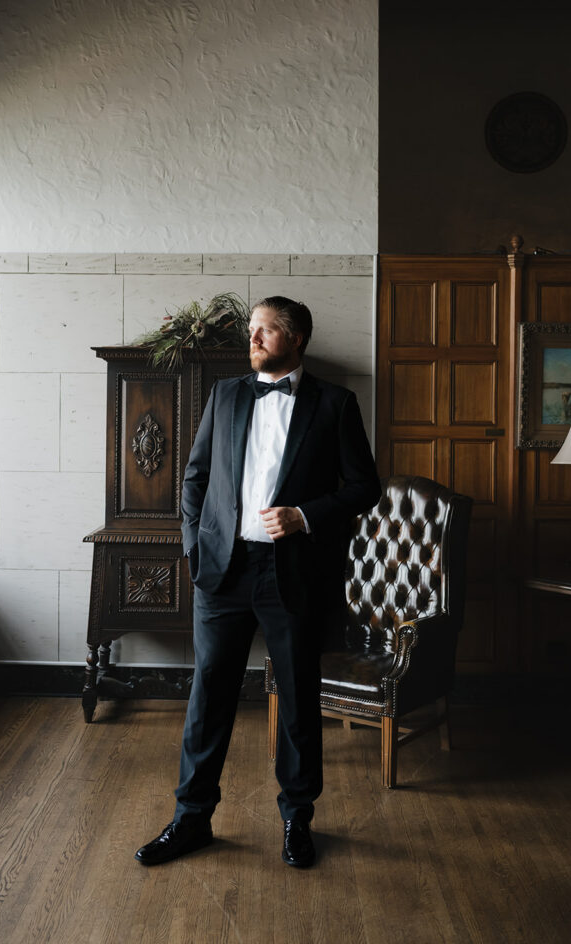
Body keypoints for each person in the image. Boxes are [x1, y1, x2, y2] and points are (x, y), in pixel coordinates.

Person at [135, 296, 381, 869]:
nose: (253, 340)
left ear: (296, 339)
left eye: (264, 331)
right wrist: (196, 545)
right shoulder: (224, 395)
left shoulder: (335, 404)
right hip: (222, 571)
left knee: (297, 700)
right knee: (208, 698)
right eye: (252, 330)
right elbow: (194, 478)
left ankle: (298, 820)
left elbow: (364, 486)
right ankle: (190, 819)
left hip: (291, 571)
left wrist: (305, 515)